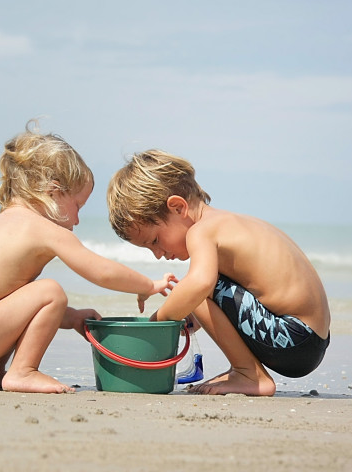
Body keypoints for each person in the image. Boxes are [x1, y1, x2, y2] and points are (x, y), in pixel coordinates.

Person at [0, 124, 175, 394]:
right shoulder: (43, 228)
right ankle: (23, 371)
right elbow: (101, 271)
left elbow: (10, 304)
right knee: (50, 291)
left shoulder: (8, 222)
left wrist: (70, 318)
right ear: (53, 191)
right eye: (78, 206)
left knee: (28, 292)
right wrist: (147, 286)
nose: (78, 220)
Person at [107, 150, 331, 396]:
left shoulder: (201, 232)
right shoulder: (229, 224)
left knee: (198, 288)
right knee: (203, 288)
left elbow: (201, 285)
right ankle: (245, 371)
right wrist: (191, 318)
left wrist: (157, 322)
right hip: (310, 340)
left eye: (155, 241)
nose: (158, 254)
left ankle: (249, 374)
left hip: (292, 338)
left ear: (178, 207)